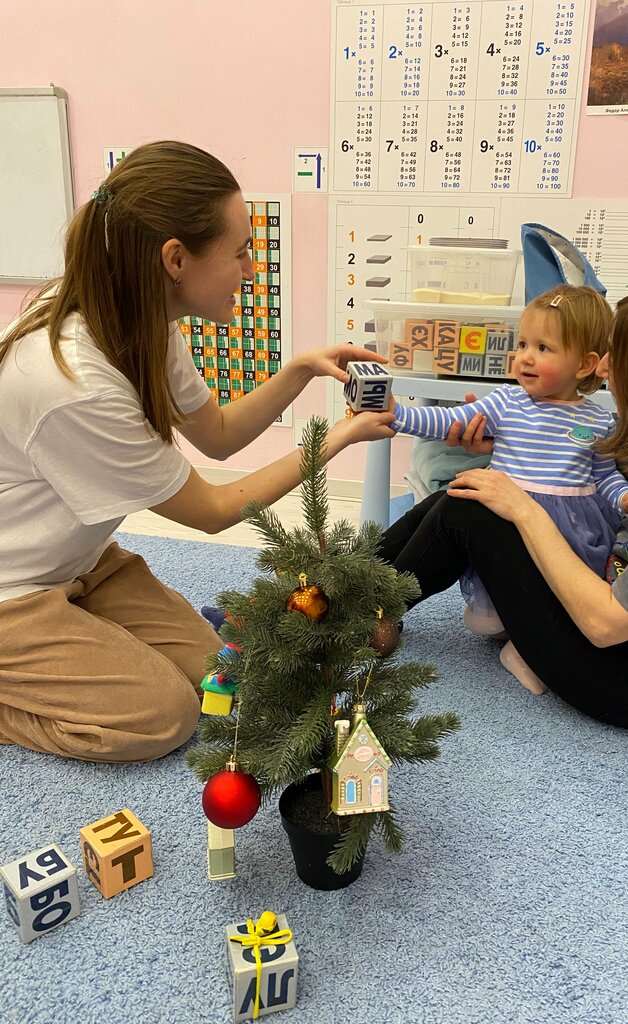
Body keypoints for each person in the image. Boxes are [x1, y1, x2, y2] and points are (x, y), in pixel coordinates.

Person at [0, 140, 394, 763]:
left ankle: (78, 630)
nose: (251, 269)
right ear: (176, 259)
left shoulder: (142, 319)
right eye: (240, 252)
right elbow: (211, 511)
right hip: (11, 592)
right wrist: (335, 439)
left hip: (83, 563)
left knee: (215, 675)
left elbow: (215, 433)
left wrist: (300, 371)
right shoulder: (73, 384)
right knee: (164, 718)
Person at [377, 273, 628, 729]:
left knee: (470, 505)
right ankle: (349, 588)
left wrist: (523, 508)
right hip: (621, 611)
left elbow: (606, 625)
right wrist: (515, 452)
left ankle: (362, 612)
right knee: (464, 493)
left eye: (617, 359)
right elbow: (603, 467)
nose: (603, 370)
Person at [390, 284, 628, 692]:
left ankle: (527, 648)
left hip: (572, 530)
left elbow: (604, 477)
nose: (526, 357)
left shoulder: (600, 421)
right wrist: (396, 414)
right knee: (489, 609)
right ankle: (510, 635)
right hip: (506, 520)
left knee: (558, 597)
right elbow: (448, 423)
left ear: (585, 365)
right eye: (524, 343)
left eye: (544, 348)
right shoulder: (507, 403)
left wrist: (625, 497)